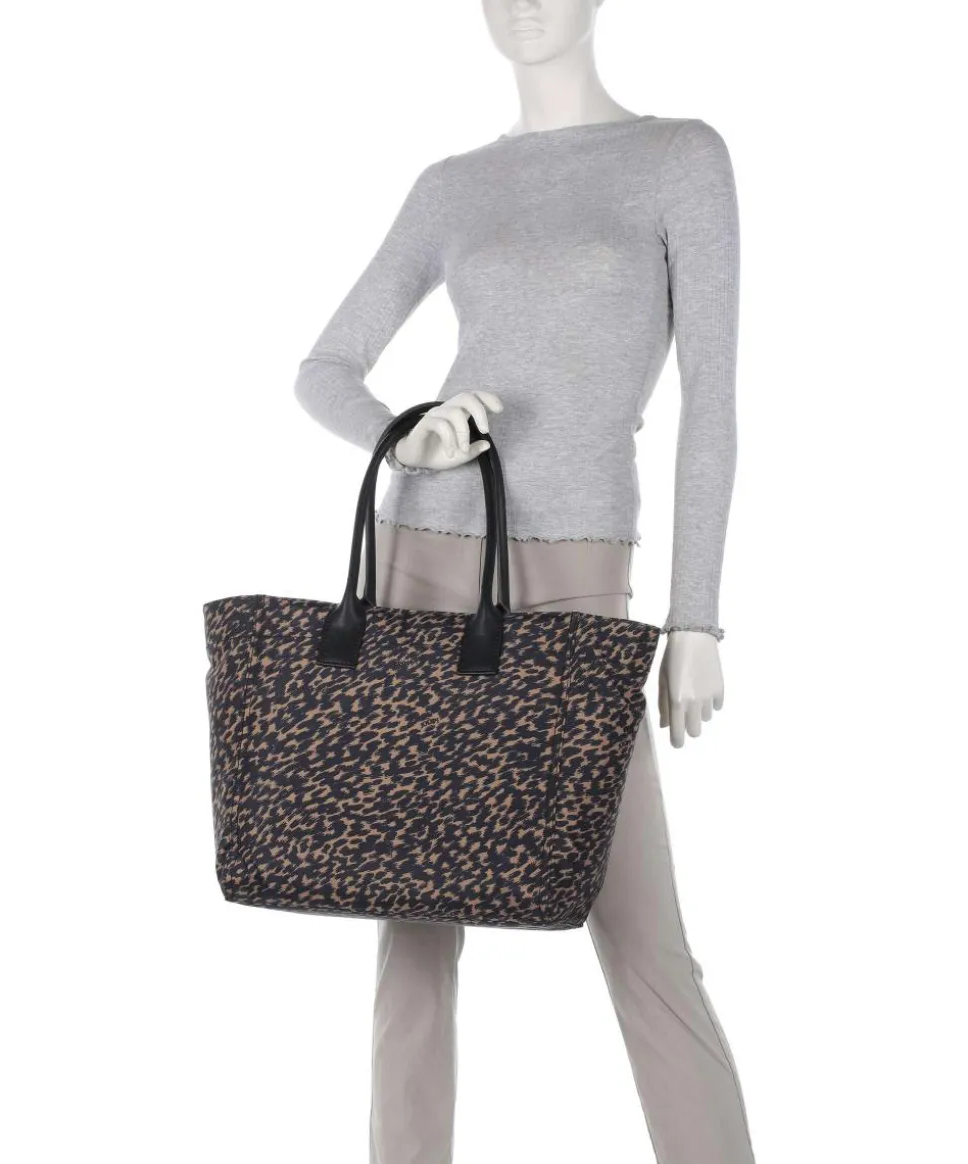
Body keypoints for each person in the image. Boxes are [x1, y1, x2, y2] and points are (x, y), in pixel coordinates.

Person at [293, 3, 755, 1161]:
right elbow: (325, 367)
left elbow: (710, 399)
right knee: (412, 929)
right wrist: (410, 437)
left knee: (641, 936)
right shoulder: (452, 185)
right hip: (420, 560)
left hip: (575, 581)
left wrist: (695, 616)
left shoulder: (678, 156)